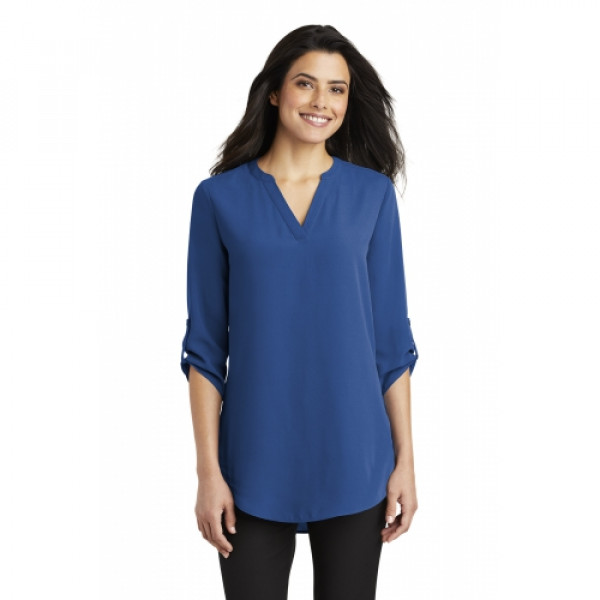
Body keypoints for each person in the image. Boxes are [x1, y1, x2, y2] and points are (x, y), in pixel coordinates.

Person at [180, 24, 420, 600]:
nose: (322, 102)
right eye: (306, 83)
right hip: (252, 463)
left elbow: (391, 343)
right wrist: (208, 473)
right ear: (274, 92)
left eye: (337, 89)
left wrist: (406, 461)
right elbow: (205, 350)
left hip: (356, 456)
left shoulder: (372, 195)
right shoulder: (218, 199)